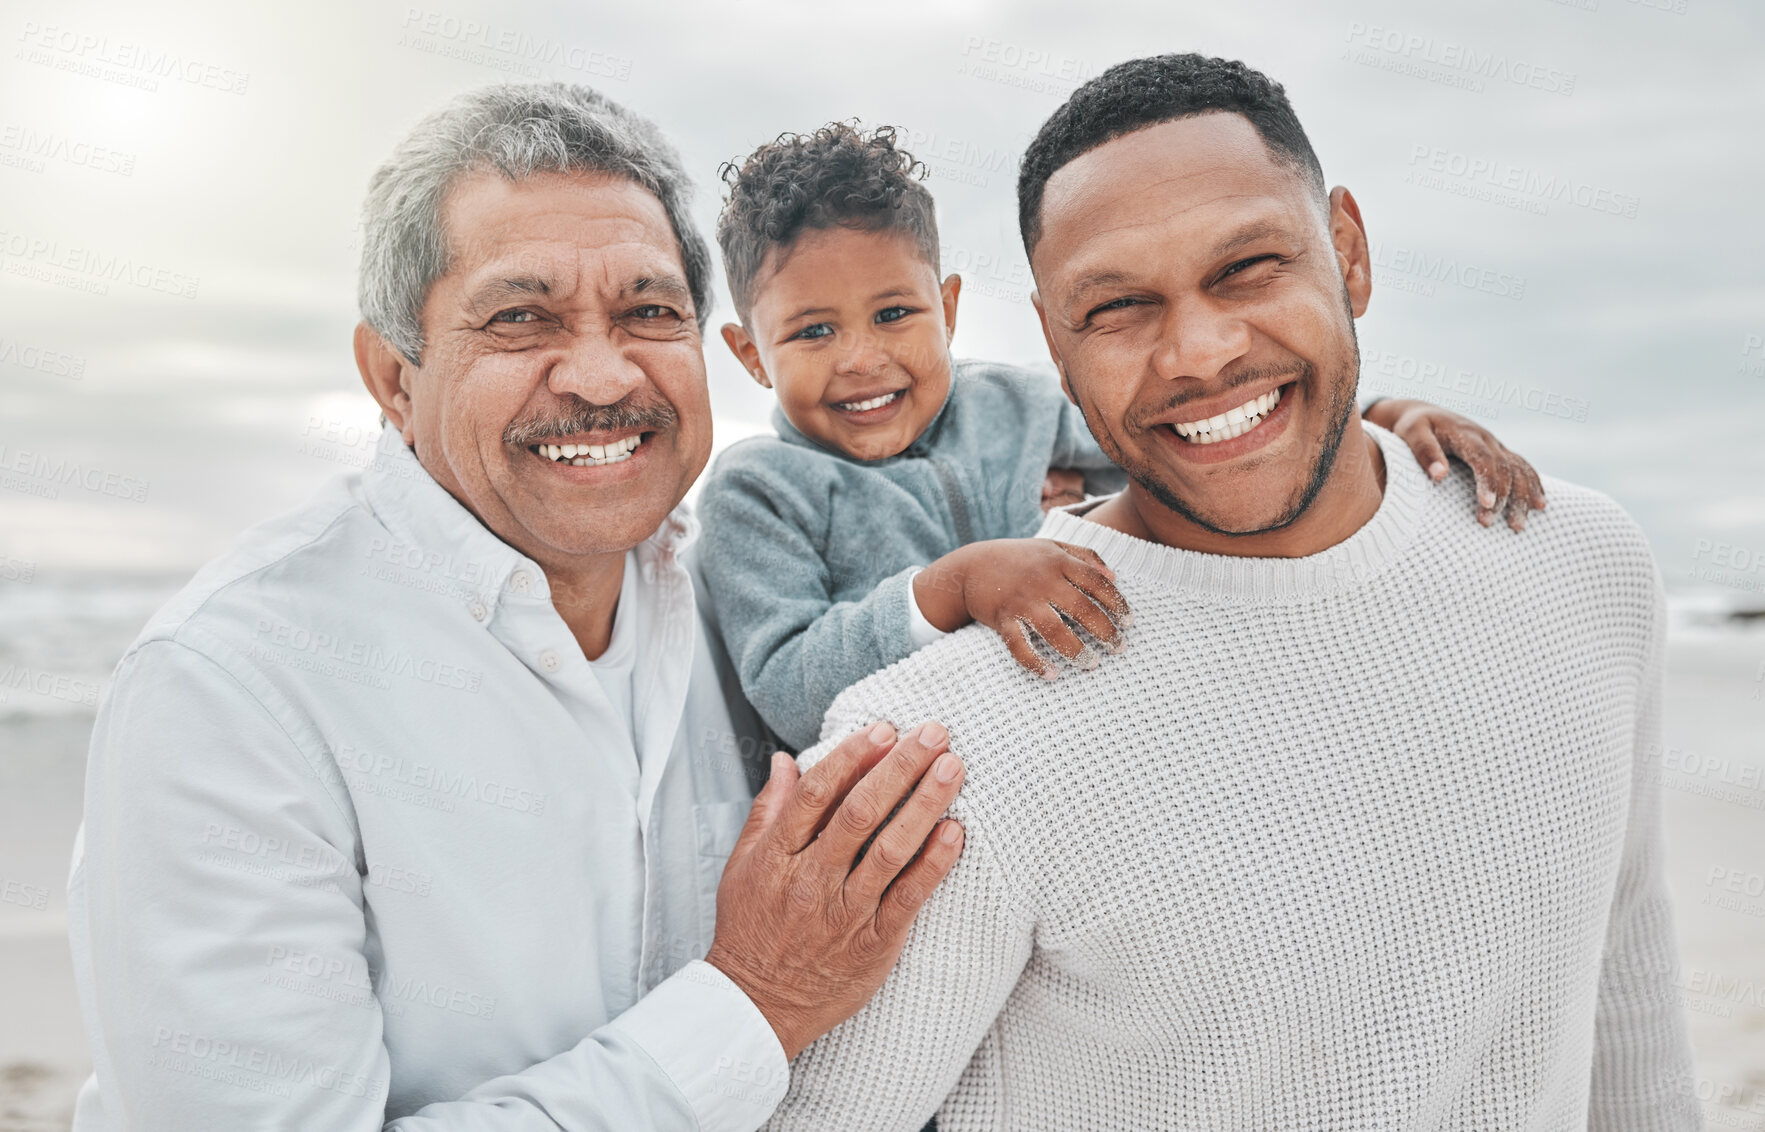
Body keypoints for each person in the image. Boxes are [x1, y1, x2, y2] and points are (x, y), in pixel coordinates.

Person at [764, 55, 1697, 1131]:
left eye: (1248, 266)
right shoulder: (947, 739)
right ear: (1055, 350)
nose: (1200, 351)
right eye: (1117, 306)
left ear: (1346, 251)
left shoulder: (1583, 567)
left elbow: (1627, 995)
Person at [65, 82, 971, 1131]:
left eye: (648, 312)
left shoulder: (750, 600)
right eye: (519, 317)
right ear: (392, 378)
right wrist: (758, 1001)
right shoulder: (232, 687)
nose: (598, 374)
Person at [696, 122, 1548, 752]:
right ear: (749, 356)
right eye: (812, 333)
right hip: (890, 816)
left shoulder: (1015, 405)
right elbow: (786, 688)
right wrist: (953, 588)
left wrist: (1379, 420)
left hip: (1063, 744)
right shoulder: (757, 488)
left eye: (893, 314)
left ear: (948, 310)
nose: (861, 359)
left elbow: (1202, 440)